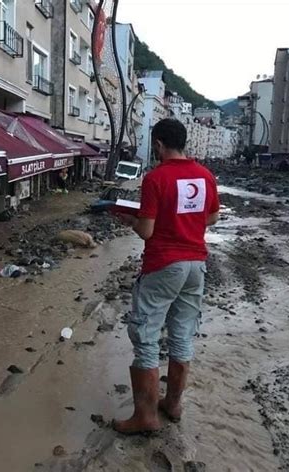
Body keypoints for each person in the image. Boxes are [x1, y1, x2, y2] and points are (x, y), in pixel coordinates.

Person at [114, 118, 220, 434]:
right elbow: (212, 217)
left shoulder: (156, 178)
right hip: (195, 265)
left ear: (159, 144)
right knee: (182, 335)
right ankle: (172, 405)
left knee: (146, 337)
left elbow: (146, 230)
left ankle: (145, 417)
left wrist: (127, 220)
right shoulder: (205, 175)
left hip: (163, 265)